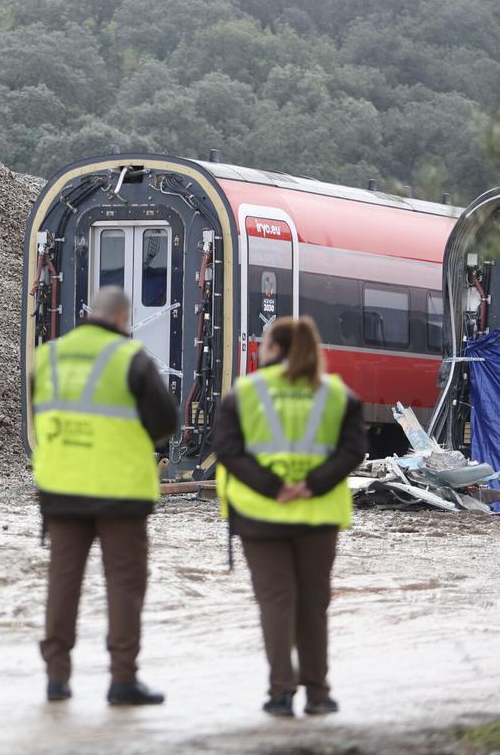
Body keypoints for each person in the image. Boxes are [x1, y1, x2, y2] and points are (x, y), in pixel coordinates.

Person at [31, 286, 179, 705]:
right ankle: (122, 680)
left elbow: (40, 414)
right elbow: (165, 421)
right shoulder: (130, 359)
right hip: (119, 493)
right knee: (124, 585)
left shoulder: (48, 358)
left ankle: (56, 677)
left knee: (63, 582)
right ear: (121, 319)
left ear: (89, 313)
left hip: (62, 488)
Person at [213, 317, 366, 718]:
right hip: (318, 515)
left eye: (264, 341)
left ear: (276, 348)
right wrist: (312, 484)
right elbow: (353, 452)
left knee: (275, 604)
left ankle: (281, 693)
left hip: (261, 515)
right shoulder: (338, 394)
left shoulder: (244, 393)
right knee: (313, 606)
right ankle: (318, 693)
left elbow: (227, 450)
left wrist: (272, 487)